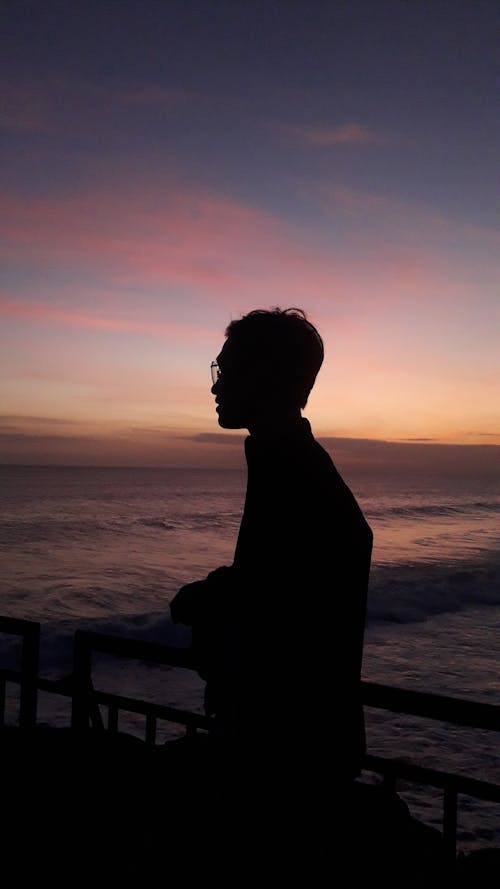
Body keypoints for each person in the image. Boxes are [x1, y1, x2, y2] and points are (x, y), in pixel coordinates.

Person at [170, 307, 373, 792]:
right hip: (303, 738)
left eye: (226, 370)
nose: (216, 387)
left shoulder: (289, 464)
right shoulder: (285, 458)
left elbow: (283, 593)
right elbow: (285, 573)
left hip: (288, 749)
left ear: (263, 377)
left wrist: (210, 598)